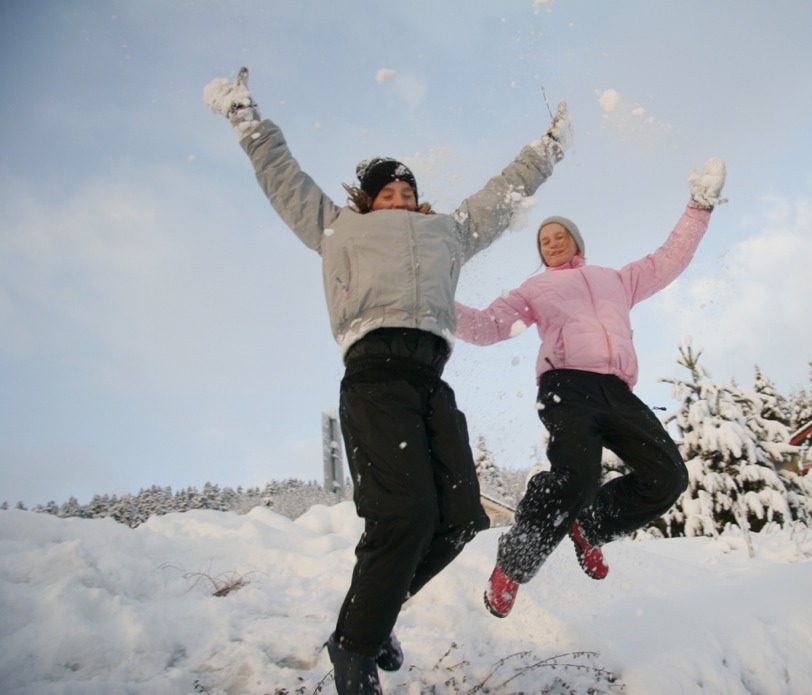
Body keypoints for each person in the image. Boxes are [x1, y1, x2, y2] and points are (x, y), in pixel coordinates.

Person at [203, 67, 571, 694]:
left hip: (431, 379)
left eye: (406, 193)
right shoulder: (336, 229)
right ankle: (353, 649)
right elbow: (283, 178)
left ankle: (373, 619)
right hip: (374, 377)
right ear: (366, 200)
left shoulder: (448, 231)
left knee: (457, 519)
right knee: (404, 516)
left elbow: (503, 191)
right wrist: (247, 119)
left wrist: (549, 150)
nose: (398, 200)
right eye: (387, 195)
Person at [454, 158, 726, 618]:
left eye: (560, 235)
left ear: (576, 241)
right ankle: (513, 566)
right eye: (545, 240)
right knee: (574, 479)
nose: (553, 243)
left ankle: (591, 526)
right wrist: (433, 299)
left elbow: (669, 258)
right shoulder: (535, 289)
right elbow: (488, 326)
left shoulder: (615, 280)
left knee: (668, 477)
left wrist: (699, 207)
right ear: (540, 253)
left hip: (617, 390)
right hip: (567, 386)